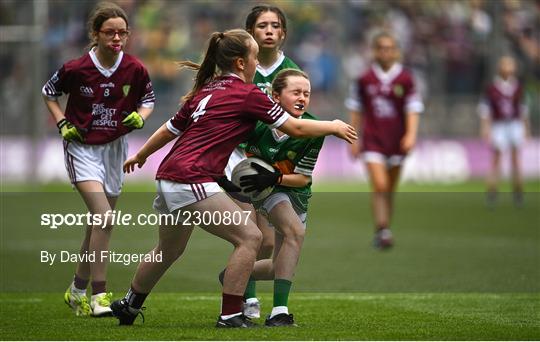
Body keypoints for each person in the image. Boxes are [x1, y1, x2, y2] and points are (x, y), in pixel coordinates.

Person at [110, 29, 357, 328]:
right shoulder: (248, 94)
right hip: (192, 178)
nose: (256, 63)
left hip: (169, 174)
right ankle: (229, 315)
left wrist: (143, 155)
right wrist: (332, 125)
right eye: (253, 57)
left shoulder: (206, 91)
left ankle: (129, 304)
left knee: (169, 249)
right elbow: (296, 128)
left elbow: (168, 129)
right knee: (250, 237)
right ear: (241, 63)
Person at [41, 2, 155, 316]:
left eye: (122, 32)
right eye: (109, 32)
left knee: (98, 224)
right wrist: (62, 122)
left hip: (115, 148)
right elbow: (49, 92)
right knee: (104, 218)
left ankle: (77, 289)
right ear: (96, 34)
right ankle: (99, 296)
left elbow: (148, 99)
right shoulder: (76, 68)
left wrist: (140, 117)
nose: (116, 38)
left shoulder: (135, 68)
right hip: (82, 147)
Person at [220, 4, 302, 320]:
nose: (269, 30)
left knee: (267, 242)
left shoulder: (292, 71)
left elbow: (298, 115)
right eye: (262, 25)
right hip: (237, 157)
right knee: (250, 235)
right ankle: (246, 301)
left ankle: (237, 280)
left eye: (275, 25)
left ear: (283, 33)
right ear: (251, 32)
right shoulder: (239, 67)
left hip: (269, 164)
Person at [241, 68, 324, 326]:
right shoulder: (257, 124)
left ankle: (235, 273)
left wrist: (275, 177)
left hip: (294, 192)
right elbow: (241, 156)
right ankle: (279, 312)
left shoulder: (313, 130)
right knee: (295, 233)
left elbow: (303, 178)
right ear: (275, 96)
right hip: (264, 191)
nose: (302, 98)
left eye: (307, 94)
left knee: (279, 266)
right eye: (296, 92)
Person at [345, 32, 423, 249]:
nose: (386, 52)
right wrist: (353, 139)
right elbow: (355, 109)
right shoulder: (364, 79)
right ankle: (382, 229)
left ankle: (385, 228)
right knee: (380, 185)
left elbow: (413, 109)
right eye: (382, 48)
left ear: (396, 51)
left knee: (389, 188)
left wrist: (411, 135)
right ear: (375, 51)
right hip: (373, 140)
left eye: (390, 48)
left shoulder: (405, 79)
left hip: (397, 141)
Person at [478, 56, 530, 207]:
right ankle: (492, 192)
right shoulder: (492, 88)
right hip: (498, 125)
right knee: (496, 159)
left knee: (516, 159)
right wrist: (485, 128)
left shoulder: (518, 87)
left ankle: (518, 193)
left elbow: (523, 110)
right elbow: (485, 111)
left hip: (514, 124)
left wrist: (526, 129)